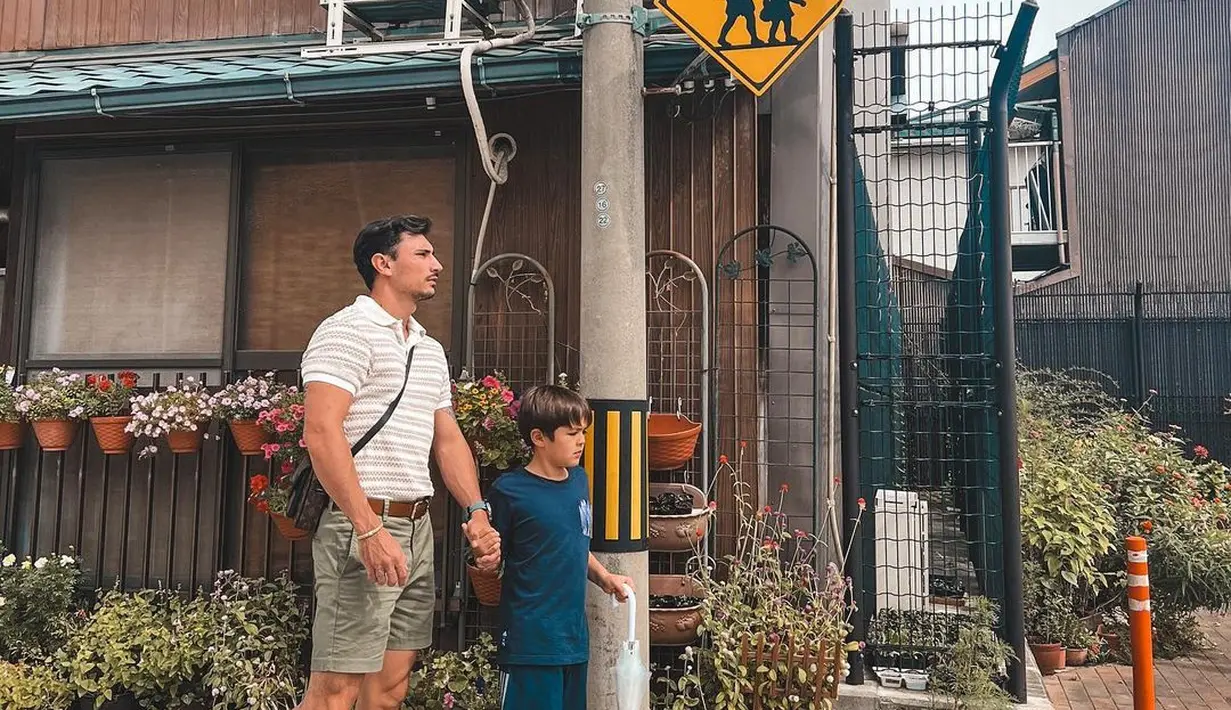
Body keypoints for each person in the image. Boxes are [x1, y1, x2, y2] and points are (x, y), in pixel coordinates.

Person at [296, 215, 502, 710]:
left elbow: (448, 440)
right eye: (423, 255)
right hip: (360, 523)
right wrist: (368, 530)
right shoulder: (345, 331)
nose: (437, 265)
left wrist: (476, 510)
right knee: (336, 689)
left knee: (390, 686)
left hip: (416, 525)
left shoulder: (428, 349)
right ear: (382, 263)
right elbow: (321, 433)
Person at [488, 384, 635, 710]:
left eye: (583, 431)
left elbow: (572, 544)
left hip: (573, 641)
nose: (581, 440)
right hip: (530, 643)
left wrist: (605, 577)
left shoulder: (579, 480)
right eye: (571, 433)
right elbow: (488, 558)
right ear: (539, 438)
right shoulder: (510, 491)